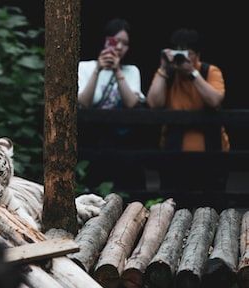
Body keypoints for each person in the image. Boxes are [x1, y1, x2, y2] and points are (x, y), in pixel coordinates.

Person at [146, 27, 230, 191]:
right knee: (174, 208)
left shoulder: (209, 71)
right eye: (177, 52)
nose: (180, 57)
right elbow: (154, 103)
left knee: (211, 209)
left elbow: (214, 100)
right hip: (173, 156)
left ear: (197, 55)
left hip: (211, 156)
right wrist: (163, 69)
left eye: (186, 52)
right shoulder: (168, 74)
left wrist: (192, 73)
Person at [77, 18, 147, 190]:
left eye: (125, 43)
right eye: (115, 41)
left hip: (121, 139)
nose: (120, 47)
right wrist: (98, 69)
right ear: (105, 41)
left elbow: (132, 103)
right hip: (92, 139)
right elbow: (84, 103)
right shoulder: (84, 67)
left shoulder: (131, 71)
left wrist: (117, 71)